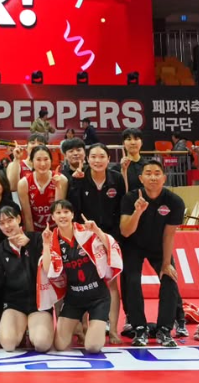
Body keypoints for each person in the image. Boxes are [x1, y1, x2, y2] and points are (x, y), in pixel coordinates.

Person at [40, 200, 122, 354]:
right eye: (58, 213)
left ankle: (95, 327)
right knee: (60, 345)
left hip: (98, 297)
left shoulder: (87, 232)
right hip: (74, 298)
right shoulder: (52, 239)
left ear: (72, 215)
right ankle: (79, 327)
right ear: (53, 217)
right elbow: (48, 270)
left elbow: (111, 247)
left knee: (92, 347)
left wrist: (97, 230)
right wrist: (45, 244)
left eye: (66, 212)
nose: (62, 216)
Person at [119, 160, 185, 348]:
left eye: (157, 173)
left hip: (159, 246)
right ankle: (139, 328)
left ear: (164, 178)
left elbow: (169, 234)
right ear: (141, 178)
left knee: (169, 278)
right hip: (133, 245)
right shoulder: (130, 198)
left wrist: (166, 263)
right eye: (148, 173)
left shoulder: (174, 201)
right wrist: (138, 211)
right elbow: (125, 231)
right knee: (131, 281)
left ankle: (165, 329)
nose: (153, 177)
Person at [67, 143, 126, 343]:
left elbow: (122, 209)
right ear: (87, 159)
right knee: (85, 281)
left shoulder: (116, 179)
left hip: (109, 237)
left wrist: (113, 238)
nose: (97, 160)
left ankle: (114, 329)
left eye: (102, 156)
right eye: (93, 156)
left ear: (109, 159)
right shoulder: (79, 178)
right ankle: (84, 328)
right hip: (85, 238)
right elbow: (73, 211)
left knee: (112, 283)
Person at [0, 206, 53, 352]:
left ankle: (32, 329)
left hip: (39, 304)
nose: (7, 226)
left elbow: (48, 271)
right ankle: (20, 330)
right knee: (8, 344)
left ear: (19, 219)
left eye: (10, 220)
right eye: (2, 223)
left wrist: (29, 246)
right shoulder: (0, 250)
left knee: (42, 344)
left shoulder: (37, 239)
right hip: (14, 304)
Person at [18, 146, 68, 232]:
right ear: (32, 162)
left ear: (51, 160)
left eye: (46, 159)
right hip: (35, 230)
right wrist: (33, 238)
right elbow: (27, 217)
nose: (43, 164)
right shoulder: (24, 183)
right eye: (38, 160)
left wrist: (58, 187)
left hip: (56, 229)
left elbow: (59, 212)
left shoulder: (62, 179)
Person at [113, 128, 148, 193]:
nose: (133, 143)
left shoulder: (148, 166)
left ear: (141, 142)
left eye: (136, 139)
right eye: (129, 139)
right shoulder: (116, 169)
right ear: (123, 143)